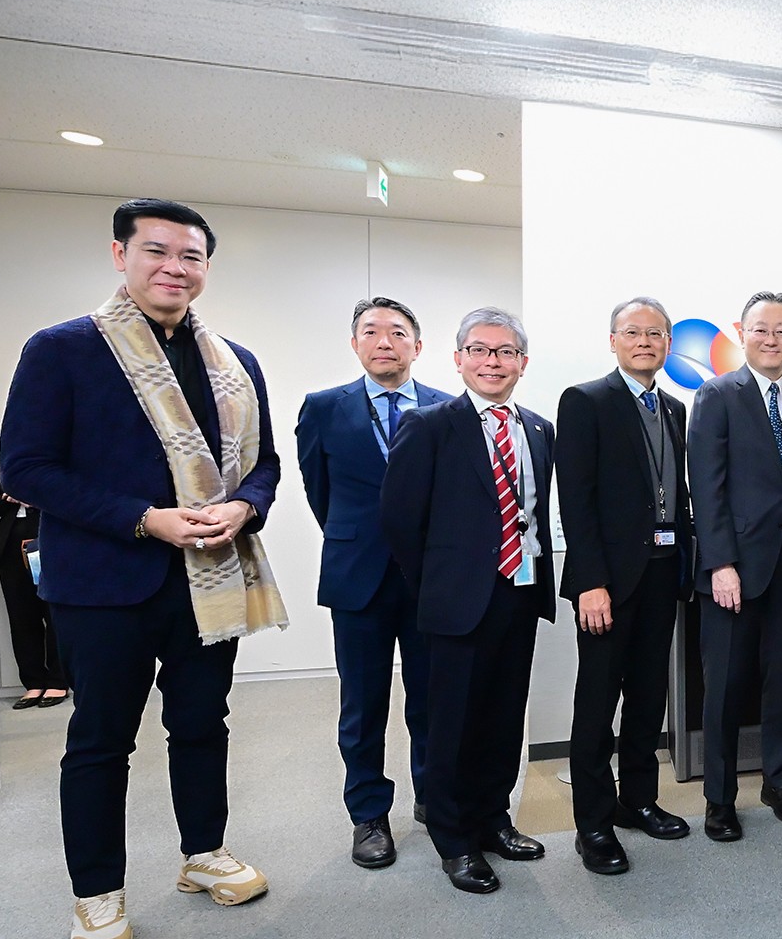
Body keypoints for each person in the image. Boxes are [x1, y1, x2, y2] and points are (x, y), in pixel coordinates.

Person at [1, 197, 285, 939]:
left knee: (202, 723)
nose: (174, 268)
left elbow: (265, 464)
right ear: (119, 255)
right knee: (100, 740)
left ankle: (204, 852)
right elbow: (25, 469)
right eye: (157, 251)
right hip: (102, 585)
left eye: (191, 256)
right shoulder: (62, 350)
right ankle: (97, 895)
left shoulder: (235, 361)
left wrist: (244, 507)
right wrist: (143, 518)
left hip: (209, 578)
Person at [380, 307, 556, 894]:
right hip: (455, 602)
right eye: (480, 350)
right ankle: (454, 839)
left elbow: (533, 512)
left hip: (520, 592)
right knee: (452, 724)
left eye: (505, 352)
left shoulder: (538, 429)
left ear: (523, 363)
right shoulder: (429, 425)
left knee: (504, 717)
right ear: (458, 360)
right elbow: (400, 521)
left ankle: (493, 818)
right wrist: (437, 584)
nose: (492, 362)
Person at [296, 297, 453, 869]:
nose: (384, 341)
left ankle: (434, 797)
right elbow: (318, 490)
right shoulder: (323, 408)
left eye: (397, 332)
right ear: (354, 343)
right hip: (356, 575)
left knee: (432, 698)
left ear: (418, 345)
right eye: (371, 332)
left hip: (429, 577)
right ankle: (368, 814)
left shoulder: (446, 407)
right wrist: (355, 538)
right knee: (362, 704)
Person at [555, 297, 694, 876]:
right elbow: (575, 499)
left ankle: (637, 800)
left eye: (655, 334)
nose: (644, 342)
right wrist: (590, 581)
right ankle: (593, 823)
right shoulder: (585, 401)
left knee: (647, 696)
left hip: (661, 574)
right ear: (613, 340)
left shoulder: (674, 408)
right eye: (632, 332)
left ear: (668, 344)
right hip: (607, 584)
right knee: (597, 701)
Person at [686, 292, 782, 842]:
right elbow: (707, 487)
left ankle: (779, 782)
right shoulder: (717, 395)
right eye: (762, 329)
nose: (772, 339)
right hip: (733, 572)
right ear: (742, 333)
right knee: (724, 689)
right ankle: (719, 799)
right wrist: (720, 562)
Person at [0, 451, 69, 707]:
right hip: (10, 547)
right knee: (21, 617)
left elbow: (69, 497)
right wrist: (9, 497)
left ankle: (58, 681)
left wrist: (34, 497)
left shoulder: (55, 458)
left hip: (50, 543)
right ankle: (33, 682)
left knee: (54, 614)